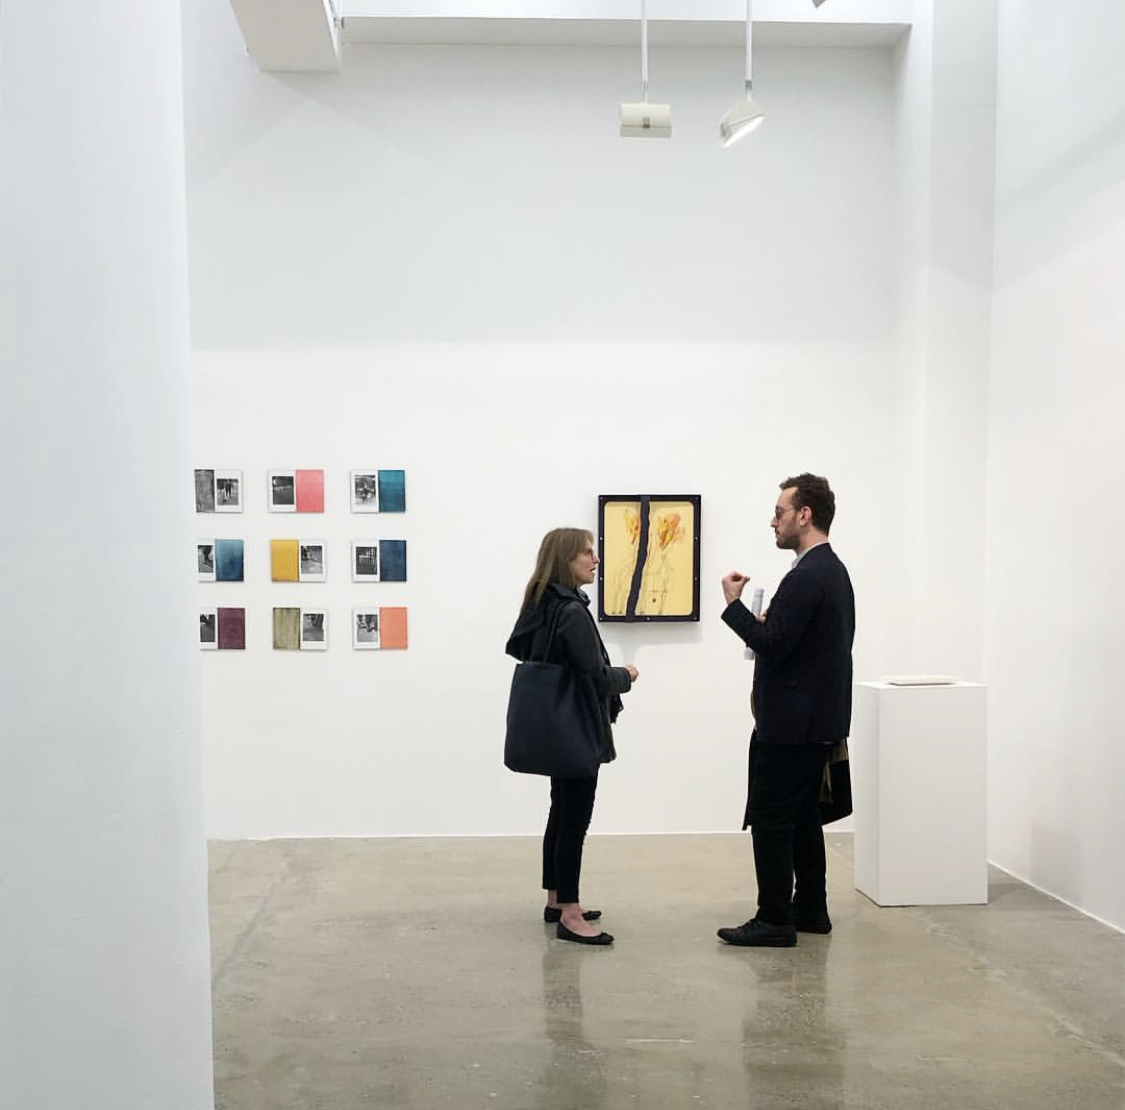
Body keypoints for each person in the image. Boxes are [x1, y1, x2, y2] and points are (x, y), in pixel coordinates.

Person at [717, 474, 855, 947]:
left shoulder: (808, 575)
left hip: (792, 724)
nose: (773, 521)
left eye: (779, 512)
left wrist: (734, 607)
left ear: (805, 514)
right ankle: (811, 908)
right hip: (813, 721)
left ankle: (774, 917)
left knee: (773, 818)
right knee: (802, 817)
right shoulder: (829, 570)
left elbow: (774, 645)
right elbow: (800, 644)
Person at [506, 528, 639, 946]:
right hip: (577, 727)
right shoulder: (571, 611)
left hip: (554, 728)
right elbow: (596, 677)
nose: (595, 560)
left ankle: (555, 898)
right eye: (587, 553)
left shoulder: (539, 604)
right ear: (565, 559)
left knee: (561, 811)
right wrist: (627, 675)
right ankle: (570, 911)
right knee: (574, 818)